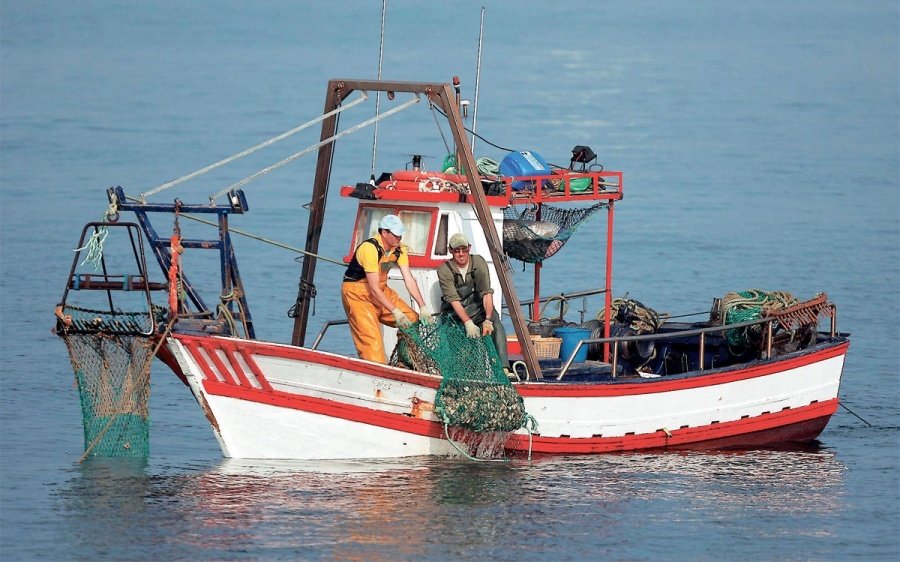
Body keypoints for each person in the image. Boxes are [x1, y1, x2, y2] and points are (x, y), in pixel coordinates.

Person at [341, 214, 433, 363]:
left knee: (412, 319)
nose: (400, 238)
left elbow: (409, 279)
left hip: (381, 291)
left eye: (401, 234)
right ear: (384, 233)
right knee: (373, 347)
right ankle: (374, 373)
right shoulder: (369, 249)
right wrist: (394, 311)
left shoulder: (399, 250)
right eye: (396, 235)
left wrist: (422, 306)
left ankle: (406, 362)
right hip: (358, 294)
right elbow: (373, 288)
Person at [436, 232, 509, 370]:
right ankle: (464, 370)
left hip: (477, 308)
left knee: (496, 323)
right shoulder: (444, 270)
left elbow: (486, 292)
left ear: (469, 248)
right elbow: (454, 300)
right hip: (455, 313)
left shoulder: (478, 262)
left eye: (464, 249)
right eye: (457, 250)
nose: (461, 254)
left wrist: (487, 319)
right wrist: (468, 322)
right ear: (450, 250)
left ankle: (504, 367)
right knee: (460, 340)